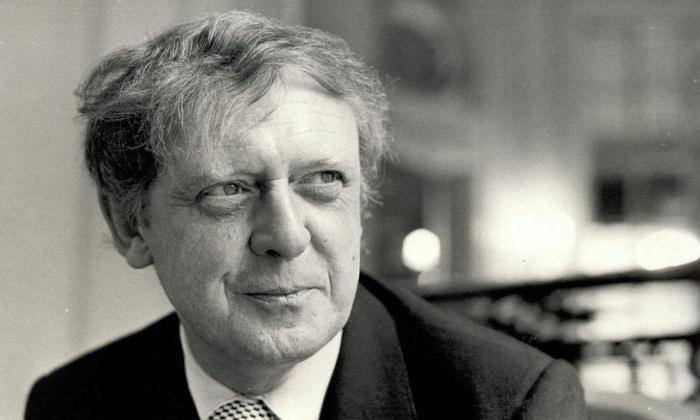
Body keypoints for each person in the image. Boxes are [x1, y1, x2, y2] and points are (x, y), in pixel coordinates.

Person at [25, 10, 585, 420]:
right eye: (229, 191)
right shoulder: (72, 404)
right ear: (130, 224)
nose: (287, 237)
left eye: (322, 182)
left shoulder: (506, 403)